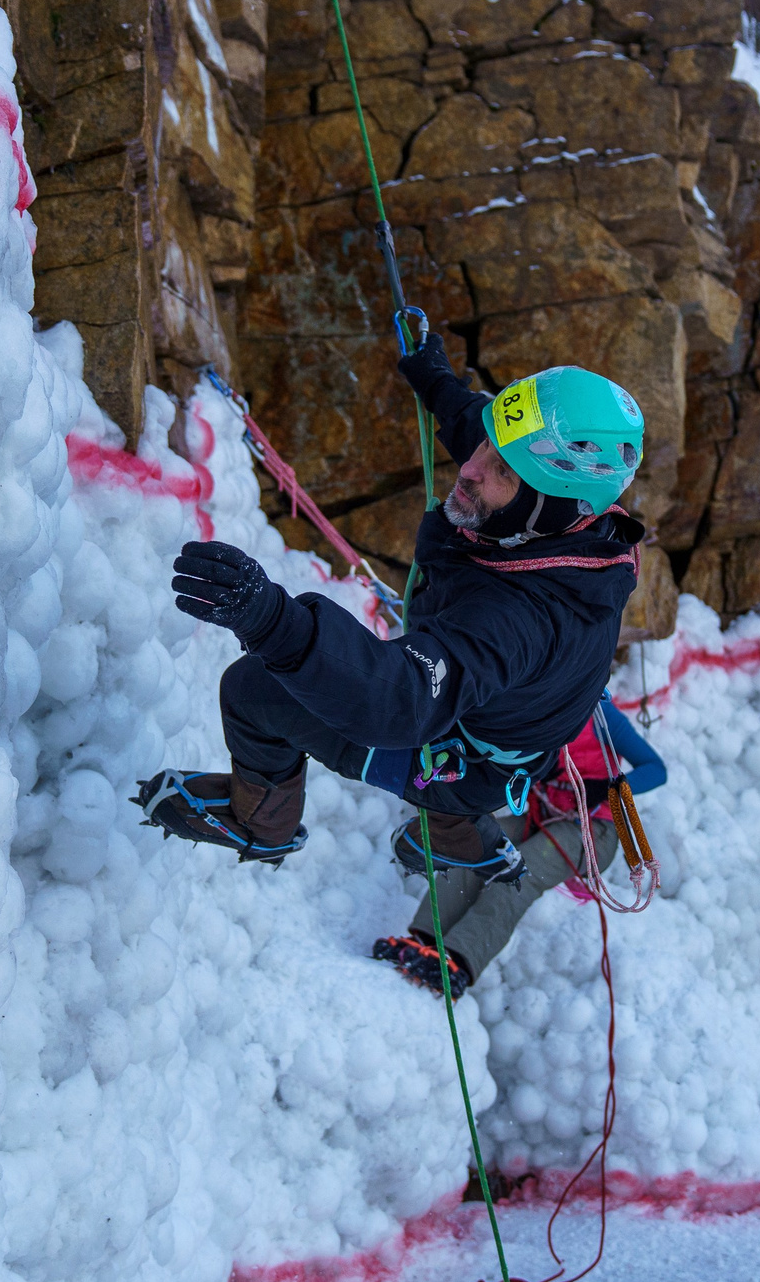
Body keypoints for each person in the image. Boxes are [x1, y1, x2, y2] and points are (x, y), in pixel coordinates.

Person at [131, 327, 647, 890]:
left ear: (555, 506)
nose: (471, 469)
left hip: (465, 759)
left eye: (502, 471)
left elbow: (399, 698)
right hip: (507, 735)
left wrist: (275, 624)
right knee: (464, 719)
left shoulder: (519, 620)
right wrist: (437, 381)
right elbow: (487, 434)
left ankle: (260, 825)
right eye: (488, 447)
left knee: (254, 691)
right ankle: (461, 838)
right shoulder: (577, 528)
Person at [372, 699, 665, 996]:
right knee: (473, 846)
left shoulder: (602, 716)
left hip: (592, 830)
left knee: (524, 870)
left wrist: (605, 789)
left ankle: (458, 958)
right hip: (540, 816)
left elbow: (656, 769)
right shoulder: (531, 703)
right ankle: (425, 940)